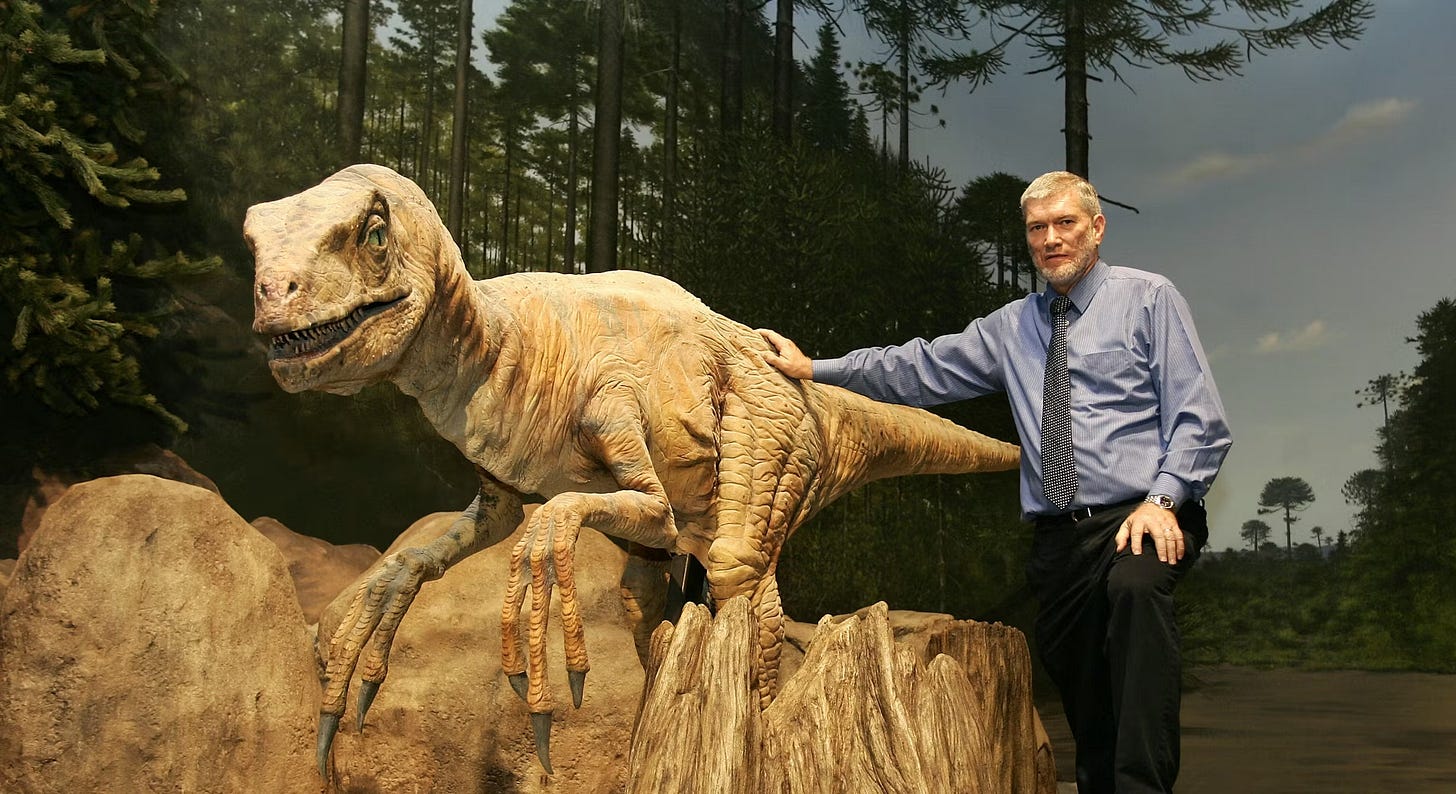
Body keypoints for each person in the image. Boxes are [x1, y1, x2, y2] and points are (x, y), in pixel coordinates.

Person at [758, 170, 1232, 794]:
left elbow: (1201, 418)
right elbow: (921, 366)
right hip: (1060, 540)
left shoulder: (1149, 299)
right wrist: (816, 369)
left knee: (1136, 594)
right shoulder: (1013, 327)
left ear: (1097, 227)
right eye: (1038, 229)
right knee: (1083, 688)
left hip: (1141, 517)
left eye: (1065, 224)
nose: (1052, 239)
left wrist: (1164, 501)